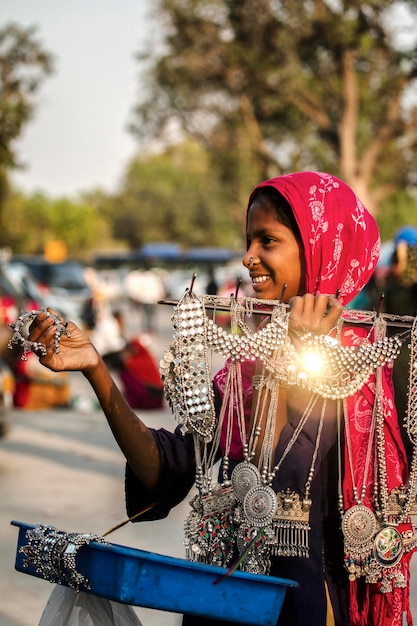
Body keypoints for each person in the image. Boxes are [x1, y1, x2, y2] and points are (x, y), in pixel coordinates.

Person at [23, 172, 415, 626]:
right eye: (249, 241)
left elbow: (282, 474)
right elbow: (170, 467)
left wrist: (303, 354)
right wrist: (96, 369)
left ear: (318, 250)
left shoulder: (363, 370)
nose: (249, 258)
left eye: (267, 241)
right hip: (221, 602)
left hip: (303, 607)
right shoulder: (247, 363)